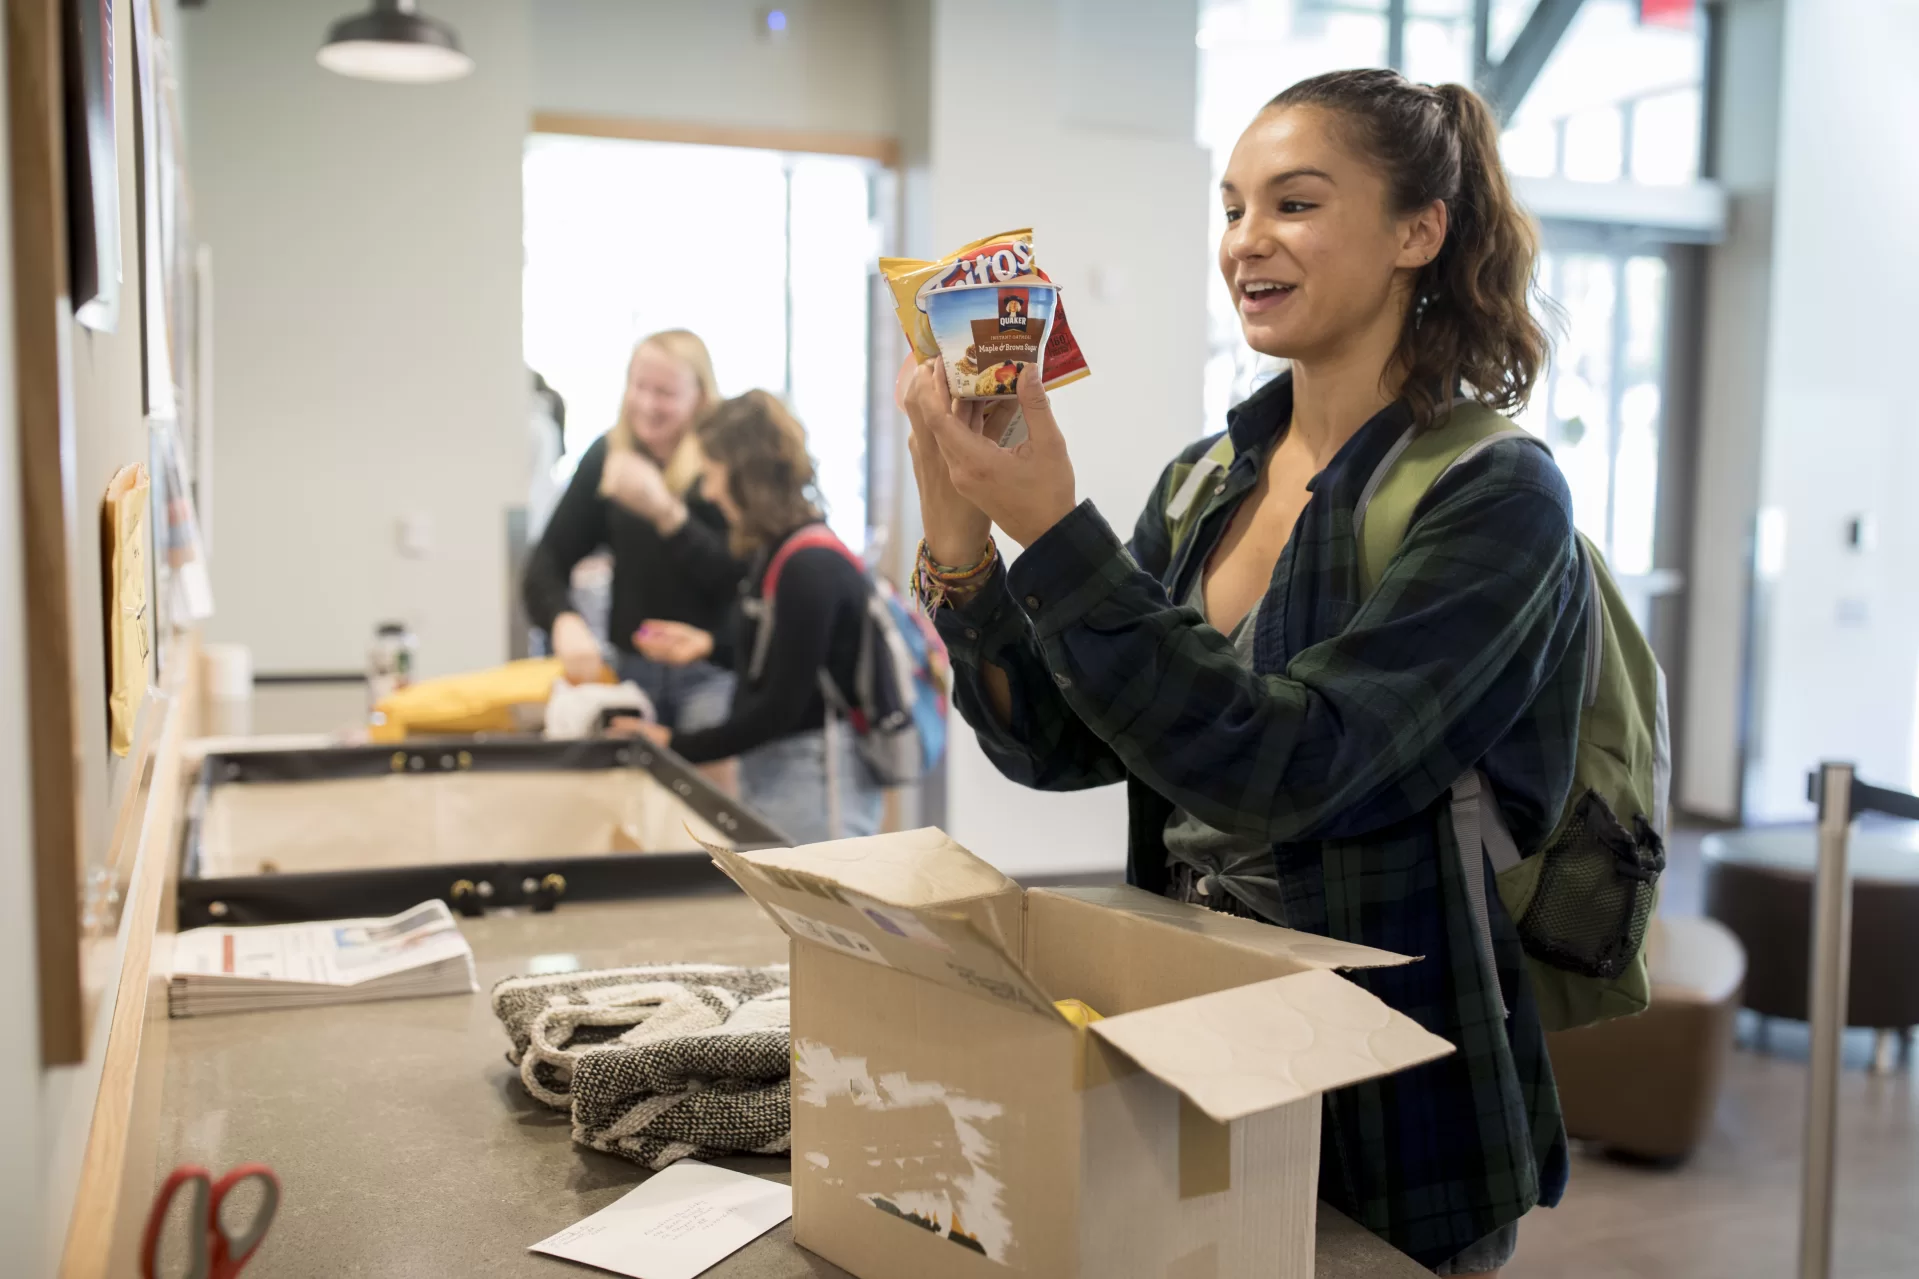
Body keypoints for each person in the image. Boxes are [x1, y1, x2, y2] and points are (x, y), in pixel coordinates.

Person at [902, 70, 1578, 1278]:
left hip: (1392, 1090)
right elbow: (1062, 746)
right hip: (1190, 1046)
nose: (1245, 242)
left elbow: (1297, 766)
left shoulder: (1495, 495)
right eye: (1229, 208)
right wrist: (962, 542)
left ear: (1417, 232)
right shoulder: (1207, 479)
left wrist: (1058, 528)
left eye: (1294, 204)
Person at [629, 391, 884, 845]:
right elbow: (784, 656)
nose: (707, 491)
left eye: (711, 474)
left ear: (745, 474)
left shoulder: (810, 568)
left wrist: (669, 743)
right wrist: (709, 646)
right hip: (785, 776)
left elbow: (778, 709)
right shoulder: (778, 552)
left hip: (814, 784)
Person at [523, 331, 743, 757]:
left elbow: (738, 576)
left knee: (703, 811)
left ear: (699, 397)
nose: (646, 404)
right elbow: (546, 561)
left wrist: (666, 513)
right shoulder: (608, 456)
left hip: (712, 673)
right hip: (632, 672)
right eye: (638, 386)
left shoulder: (723, 465)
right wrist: (563, 620)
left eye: (664, 392)